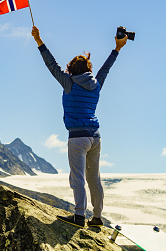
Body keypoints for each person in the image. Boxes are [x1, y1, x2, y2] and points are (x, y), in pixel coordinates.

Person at [31, 26, 127, 228]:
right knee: (95, 178)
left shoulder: (69, 83)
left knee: (78, 178)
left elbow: (51, 65)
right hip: (96, 136)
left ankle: (79, 216)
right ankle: (97, 217)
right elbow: (106, 68)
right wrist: (117, 48)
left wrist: (39, 41)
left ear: (71, 69)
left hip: (78, 138)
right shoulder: (96, 83)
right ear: (88, 69)